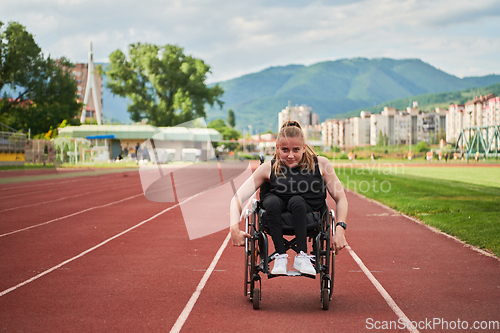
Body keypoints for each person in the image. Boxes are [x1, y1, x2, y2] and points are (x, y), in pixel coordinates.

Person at [230, 120, 348, 276]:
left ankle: (302, 255)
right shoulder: (268, 168)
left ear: (304, 148)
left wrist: (339, 230)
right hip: (274, 215)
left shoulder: (321, 164)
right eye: (285, 150)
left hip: (308, 216)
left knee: (297, 201)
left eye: (296, 150)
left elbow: (341, 198)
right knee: (271, 200)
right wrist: (234, 228)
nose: (290, 155)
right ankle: (280, 256)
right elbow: (237, 198)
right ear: (277, 148)